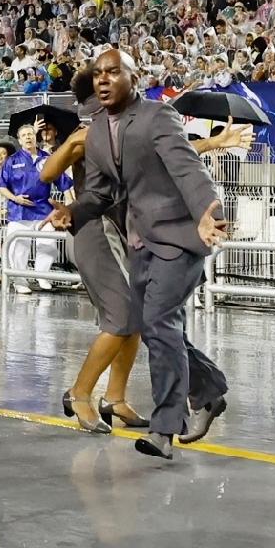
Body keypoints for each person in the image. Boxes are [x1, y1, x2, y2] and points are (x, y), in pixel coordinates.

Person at [52, 47, 229, 461]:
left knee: (156, 323)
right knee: (160, 329)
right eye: (98, 73)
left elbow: (189, 169)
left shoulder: (158, 116)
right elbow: (99, 192)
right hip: (140, 241)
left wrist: (208, 213)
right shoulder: (96, 133)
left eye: (113, 72)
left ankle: (166, 428)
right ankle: (208, 391)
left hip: (180, 237)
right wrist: (71, 211)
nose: (103, 80)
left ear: (135, 76)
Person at [0, 116, 68, 291]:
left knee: (48, 244)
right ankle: (20, 281)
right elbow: (0, 185)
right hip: (19, 211)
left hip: (43, 211)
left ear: (36, 136)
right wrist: (15, 198)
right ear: (20, 140)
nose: (28, 137)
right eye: (24, 135)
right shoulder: (11, 161)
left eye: (30, 134)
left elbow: (64, 183)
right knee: (19, 247)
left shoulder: (48, 159)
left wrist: (69, 203)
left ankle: (43, 277)